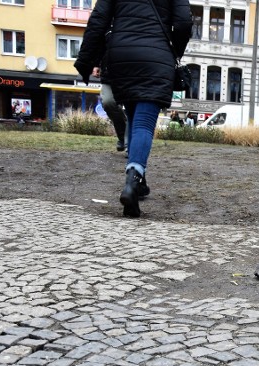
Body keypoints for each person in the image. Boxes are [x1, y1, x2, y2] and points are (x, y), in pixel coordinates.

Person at [75, 0, 192, 218]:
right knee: (143, 125)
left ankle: (140, 180)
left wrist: (85, 61)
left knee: (133, 115)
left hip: (122, 56)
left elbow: (98, 21)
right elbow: (184, 23)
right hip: (155, 57)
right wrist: (173, 49)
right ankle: (133, 180)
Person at [92, 63, 128, 153]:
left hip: (133, 74)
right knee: (108, 103)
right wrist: (97, 64)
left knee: (133, 109)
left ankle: (130, 144)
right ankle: (123, 137)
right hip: (109, 76)